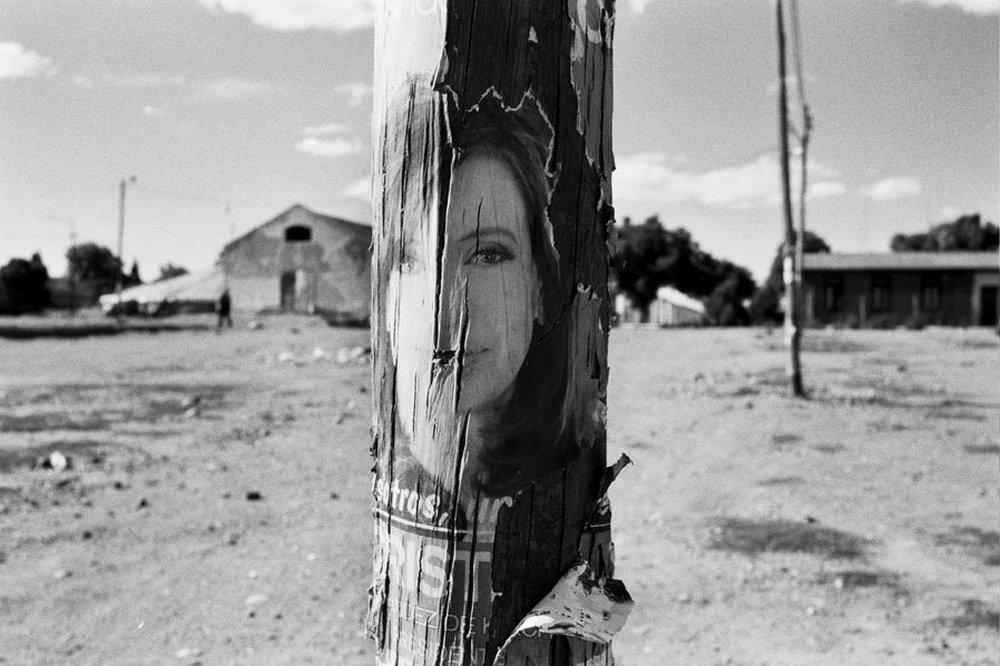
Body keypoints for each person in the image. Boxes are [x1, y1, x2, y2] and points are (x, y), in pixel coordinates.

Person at [379, 81, 582, 505]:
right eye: (409, 260)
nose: (440, 308)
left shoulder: (568, 490)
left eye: (488, 254)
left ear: (539, 285)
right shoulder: (390, 474)